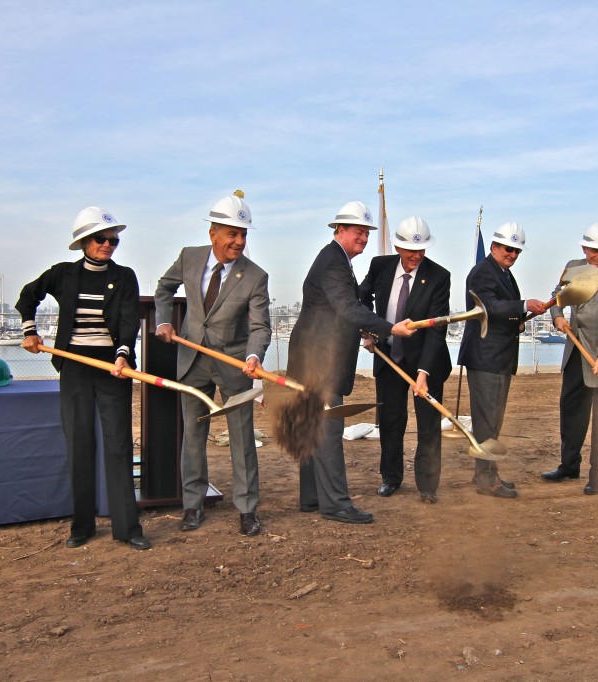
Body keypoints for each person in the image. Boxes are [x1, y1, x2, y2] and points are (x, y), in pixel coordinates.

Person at [17, 206, 150, 550]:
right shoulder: (63, 274)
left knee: (118, 445)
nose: (108, 245)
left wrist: (122, 354)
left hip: (112, 366)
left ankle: (128, 528)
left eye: (113, 240)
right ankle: (82, 526)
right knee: (79, 443)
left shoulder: (125, 277)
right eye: (101, 239)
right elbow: (27, 297)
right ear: (83, 242)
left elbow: (128, 321)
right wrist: (30, 330)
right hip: (74, 367)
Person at [287, 200, 416, 523]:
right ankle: (337, 504)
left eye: (367, 233)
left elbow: (340, 309)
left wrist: (365, 334)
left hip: (310, 356)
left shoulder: (336, 261)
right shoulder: (334, 262)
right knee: (329, 427)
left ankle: (313, 498)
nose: (363, 238)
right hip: (320, 360)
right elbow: (347, 307)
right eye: (358, 232)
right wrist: (389, 328)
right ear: (339, 230)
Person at [154, 193, 271, 536]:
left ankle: (247, 509)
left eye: (243, 235)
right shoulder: (189, 258)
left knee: (241, 438)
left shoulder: (255, 276)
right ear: (213, 235)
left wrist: (253, 356)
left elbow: (260, 326)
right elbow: (164, 288)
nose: (239, 241)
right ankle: (193, 505)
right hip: (191, 361)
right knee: (193, 434)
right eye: (232, 234)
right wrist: (164, 321)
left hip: (234, 364)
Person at [358, 216, 452, 503]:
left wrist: (423, 373)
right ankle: (391, 478)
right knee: (390, 420)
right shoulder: (380, 266)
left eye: (422, 249)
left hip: (427, 360)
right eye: (411, 250)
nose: (416, 256)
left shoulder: (439, 276)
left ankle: (427, 485)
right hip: (388, 357)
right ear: (398, 246)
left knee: (428, 424)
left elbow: (437, 329)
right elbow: (361, 297)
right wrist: (370, 330)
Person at [541, 222, 598, 494]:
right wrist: (557, 317)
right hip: (575, 353)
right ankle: (569, 466)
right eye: (595, 250)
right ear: (584, 247)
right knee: (571, 413)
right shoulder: (573, 266)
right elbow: (557, 296)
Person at [457, 222, 546, 498]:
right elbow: (488, 307)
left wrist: (517, 321)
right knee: (487, 421)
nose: (513, 255)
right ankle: (487, 481)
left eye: (517, 251)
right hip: (486, 359)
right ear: (494, 247)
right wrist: (522, 306)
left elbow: (500, 314)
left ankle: (483, 473)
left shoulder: (503, 273)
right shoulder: (482, 273)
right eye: (509, 249)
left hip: (499, 358)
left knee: (492, 421)